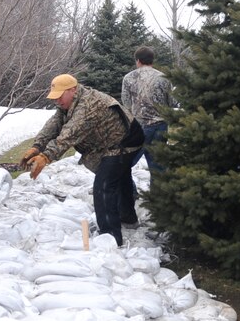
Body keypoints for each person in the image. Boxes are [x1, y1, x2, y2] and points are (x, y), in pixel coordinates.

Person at [19, 74, 144, 245]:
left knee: (104, 187)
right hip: (114, 143)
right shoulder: (71, 102)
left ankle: (111, 238)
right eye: (54, 97)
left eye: (60, 96)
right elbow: (54, 124)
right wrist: (37, 146)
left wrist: (45, 156)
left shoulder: (87, 106)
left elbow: (68, 135)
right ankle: (128, 218)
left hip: (124, 144)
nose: (57, 101)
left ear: (72, 90)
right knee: (121, 179)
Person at [121, 46, 176, 195]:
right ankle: (158, 202)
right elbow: (172, 102)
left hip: (139, 127)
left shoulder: (129, 78)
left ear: (138, 60)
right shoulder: (164, 78)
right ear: (152, 60)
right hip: (161, 126)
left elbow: (125, 103)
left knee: (125, 164)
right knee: (158, 166)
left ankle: (131, 194)